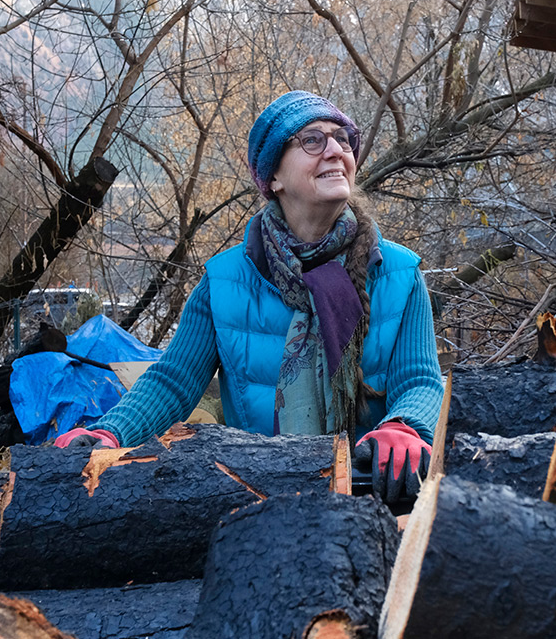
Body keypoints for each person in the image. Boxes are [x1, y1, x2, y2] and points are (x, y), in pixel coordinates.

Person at [55, 91, 444, 502]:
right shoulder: (225, 281)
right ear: (273, 177)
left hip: (373, 498)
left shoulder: (399, 273)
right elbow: (173, 383)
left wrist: (406, 426)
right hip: (260, 499)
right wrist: (108, 431)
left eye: (343, 138)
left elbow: (420, 380)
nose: (335, 149)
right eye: (312, 140)